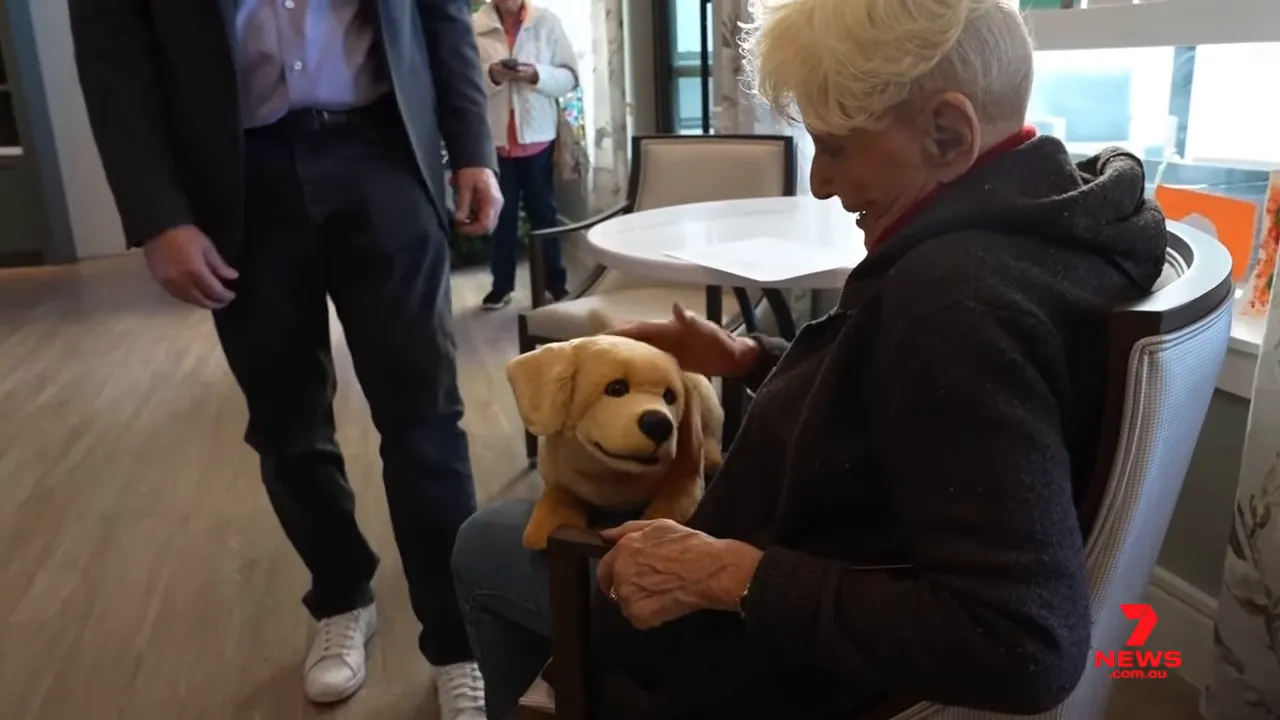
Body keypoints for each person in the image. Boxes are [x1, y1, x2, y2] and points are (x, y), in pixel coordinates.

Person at [452, 0, 1171, 717]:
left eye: (837, 147)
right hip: (810, 568)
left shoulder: (958, 302)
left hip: (765, 659)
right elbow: (921, 410)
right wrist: (750, 358)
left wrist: (727, 574)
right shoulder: (1060, 226)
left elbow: (1024, 644)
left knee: (486, 542)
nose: (822, 182)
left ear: (947, 134)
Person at [68, 0, 501, 717]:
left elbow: (441, 15)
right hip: (237, 174)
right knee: (286, 421)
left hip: (382, 150)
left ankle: (458, 642)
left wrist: (474, 147)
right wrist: (157, 213)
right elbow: (113, 56)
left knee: (424, 415)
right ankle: (340, 594)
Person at [473, 0, 578, 310]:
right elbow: (460, 78)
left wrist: (536, 75)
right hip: (494, 141)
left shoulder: (546, 22)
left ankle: (555, 283)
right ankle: (501, 285)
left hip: (537, 139)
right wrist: (492, 74)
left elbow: (570, 77)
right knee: (500, 217)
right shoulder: (472, 27)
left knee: (543, 214)